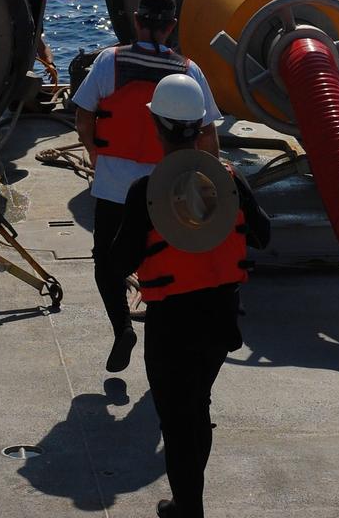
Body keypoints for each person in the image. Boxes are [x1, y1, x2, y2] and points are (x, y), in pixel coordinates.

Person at [109, 74, 271, 518]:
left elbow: (118, 261)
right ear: (202, 127)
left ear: (157, 127)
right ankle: (188, 504)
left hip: (172, 324)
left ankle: (188, 510)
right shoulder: (230, 180)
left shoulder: (145, 193)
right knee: (196, 408)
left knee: (177, 422)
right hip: (221, 319)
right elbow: (263, 235)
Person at [72, 0, 221, 372]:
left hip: (113, 190)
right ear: (171, 27)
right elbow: (208, 136)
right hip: (166, 188)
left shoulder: (109, 61)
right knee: (163, 261)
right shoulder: (188, 71)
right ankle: (162, 330)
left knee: (107, 264)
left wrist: (94, 153)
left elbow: (84, 117)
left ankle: (122, 328)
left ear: (137, 22)